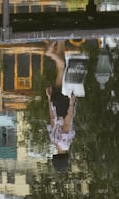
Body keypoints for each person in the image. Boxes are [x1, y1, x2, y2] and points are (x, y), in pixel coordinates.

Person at [44, 40, 76, 172]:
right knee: (61, 67)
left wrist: (72, 103)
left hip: (64, 104)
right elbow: (51, 120)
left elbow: (67, 123)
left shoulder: (65, 142)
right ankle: (61, 39)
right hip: (55, 105)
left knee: (62, 68)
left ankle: (49, 53)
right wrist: (49, 99)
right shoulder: (54, 140)